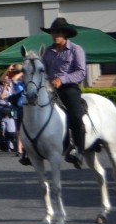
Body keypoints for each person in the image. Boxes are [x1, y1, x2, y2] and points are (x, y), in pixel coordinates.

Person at [29, 17, 87, 168]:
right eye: (53, 32)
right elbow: (43, 71)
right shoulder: (47, 52)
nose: (55, 35)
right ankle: (30, 149)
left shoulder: (76, 49)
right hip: (49, 88)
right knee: (31, 109)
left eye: (58, 32)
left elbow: (81, 72)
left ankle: (79, 150)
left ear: (65, 34)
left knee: (75, 114)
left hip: (69, 88)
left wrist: (62, 79)